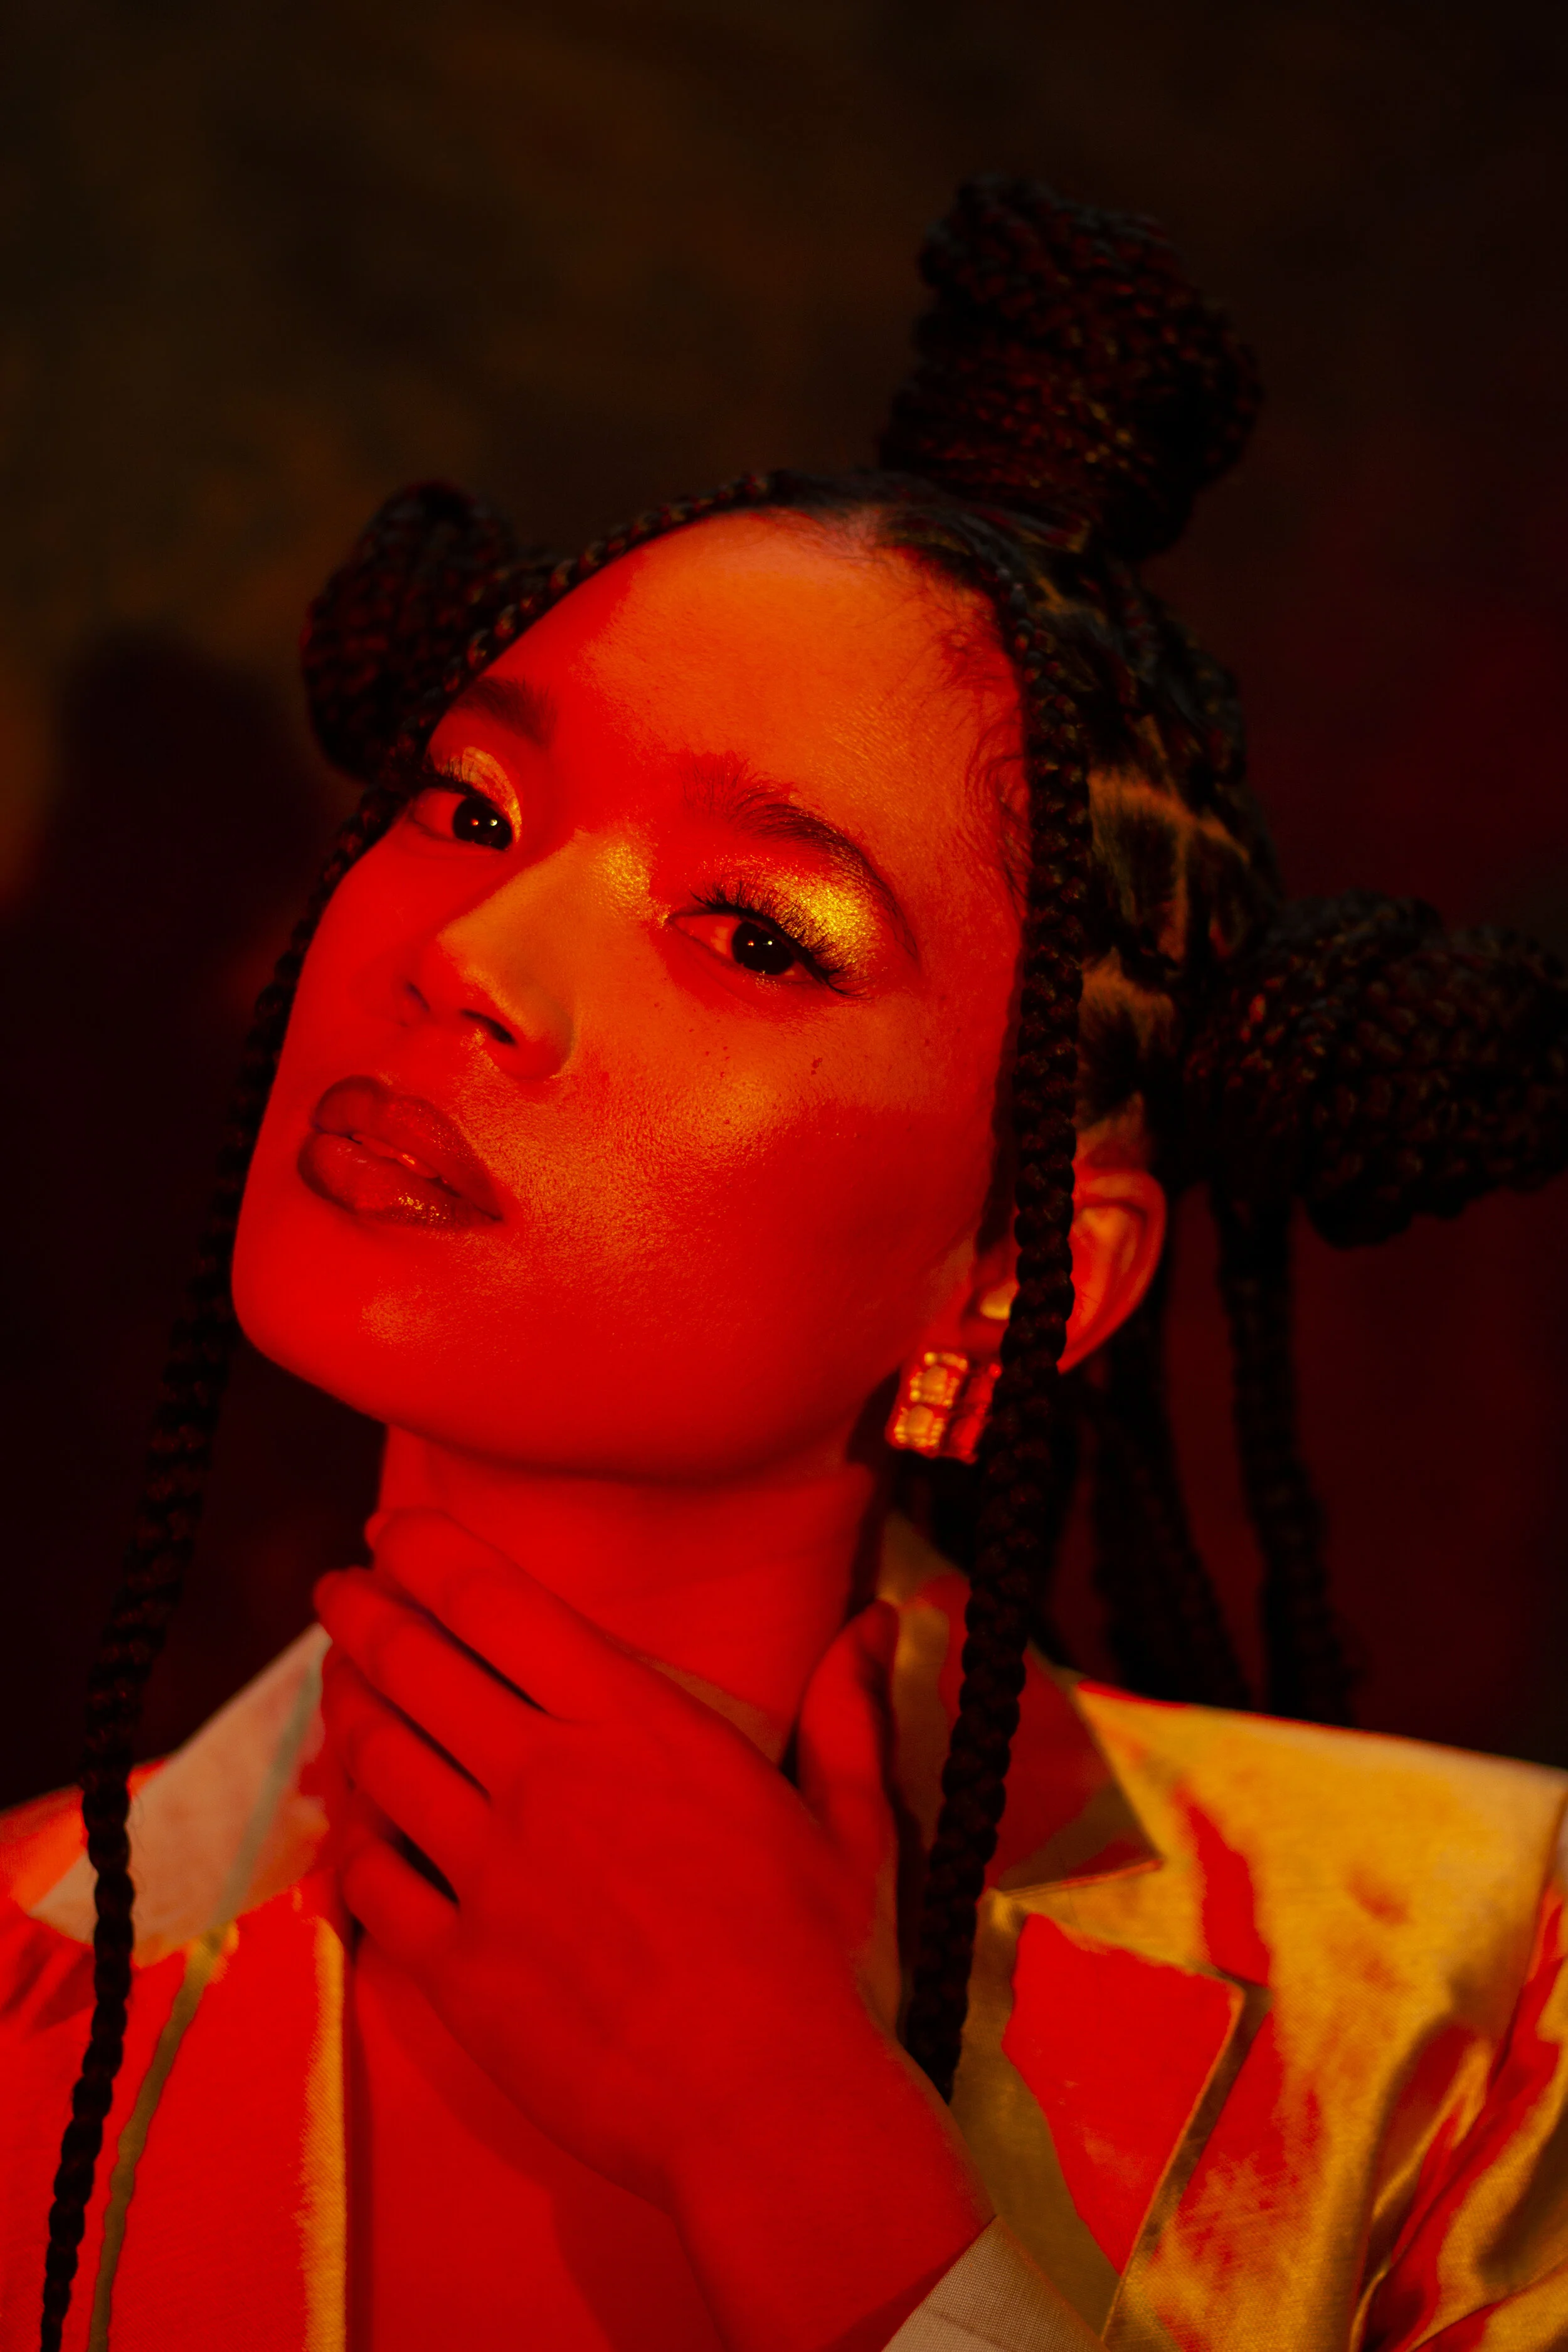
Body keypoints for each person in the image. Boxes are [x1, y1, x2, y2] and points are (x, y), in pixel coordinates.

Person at [2, 177, 1565, 2352]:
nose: (468, 954)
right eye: (471, 803)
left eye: (750, 930)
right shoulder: (29, 1985)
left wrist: (789, 2131)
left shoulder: (1486, 1981)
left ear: (1026, 1277)